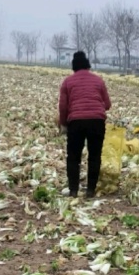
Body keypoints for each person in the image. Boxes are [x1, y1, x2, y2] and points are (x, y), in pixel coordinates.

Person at [57, 50, 111, 198]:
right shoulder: (98, 80)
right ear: (87, 64)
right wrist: (95, 107)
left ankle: (73, 190)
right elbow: (107, 104)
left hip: (76, 122)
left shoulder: (68, 82)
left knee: (73, 156)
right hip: (97, 122)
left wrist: (63, 124)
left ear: (74, 66)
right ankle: (90, 190)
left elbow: (63, 106)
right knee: (94, 155)